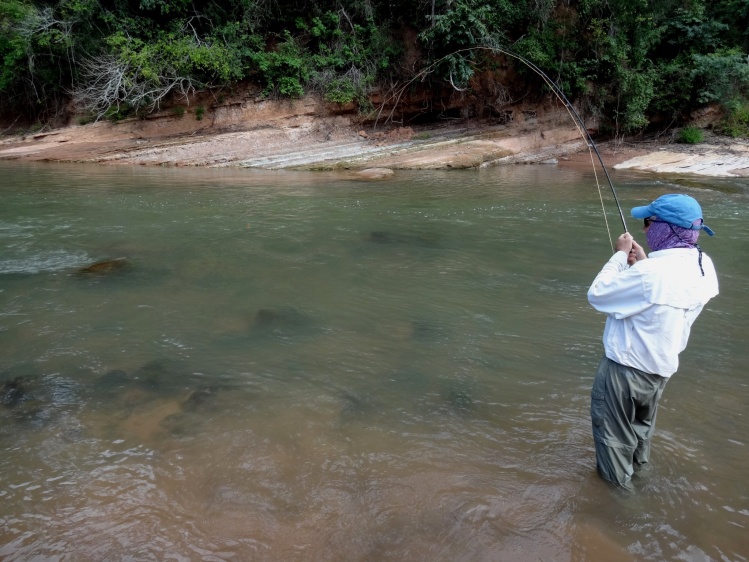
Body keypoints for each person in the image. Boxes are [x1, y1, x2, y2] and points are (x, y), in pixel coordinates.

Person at [587, 194, 719, 490]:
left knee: (613, 443)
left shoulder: (651, 274)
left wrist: (620, 256)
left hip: (623, 373)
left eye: (649, 222)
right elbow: (662, 299)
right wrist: (643, 262)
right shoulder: (703, 266)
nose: (645, 230)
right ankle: (640, 479)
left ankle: (615, 508)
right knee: (639, 434)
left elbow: (598, 294)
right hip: (659, 372)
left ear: (665, 229)